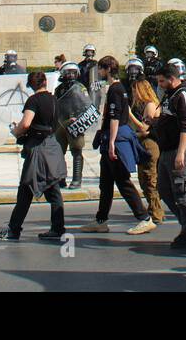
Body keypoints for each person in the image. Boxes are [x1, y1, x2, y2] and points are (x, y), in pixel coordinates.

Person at [80, 57, 155, 235]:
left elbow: (114, 118)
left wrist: (112, 143)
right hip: (110, 141)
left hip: (115, 141)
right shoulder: (121, 89)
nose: (98, 72)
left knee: (123, 181)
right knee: (105, 184)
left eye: (100, 69)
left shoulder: (115, 89)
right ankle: (101, 220)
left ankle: (144, 218)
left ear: (107, 69)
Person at [0, 70, 65, 240]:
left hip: (38, 149)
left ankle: (13, 230)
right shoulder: (54, 99)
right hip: (52, 146)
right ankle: (57, 228)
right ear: (44, 83)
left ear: (31, 85)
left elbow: (26, 123)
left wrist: (15, 131)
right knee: (52, 187)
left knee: (26, 187)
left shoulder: (33, 100)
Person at [153, 59, 186, 250]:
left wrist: (181, 152)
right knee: (164, 189)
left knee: (182, 192)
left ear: (172, 79)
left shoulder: (184, 96)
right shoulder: (169, 96)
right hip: (166, 150)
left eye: (162, 81)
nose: (159, 85)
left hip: (180, 150)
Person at [124, 60, 166, 227]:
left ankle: (157, 212)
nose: (133, 93)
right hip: (142, 143)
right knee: (143, 179)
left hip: (150, 144)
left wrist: (129, 114)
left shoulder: (150, 105)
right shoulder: (141, 105)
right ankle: (152, 208)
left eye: (135, 90)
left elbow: (144, 127)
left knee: (150, 179)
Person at [54, 59, 93, 188]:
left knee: (76, 151)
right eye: (67, 72)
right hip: (61, 122)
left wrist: (79, 118)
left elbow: (86, 104)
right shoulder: (59, 88)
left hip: (75, 121)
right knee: (59, 152)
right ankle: (61, 178)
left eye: (72, 72)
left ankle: (77, 179)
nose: (70, 75)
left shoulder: (80, 87)